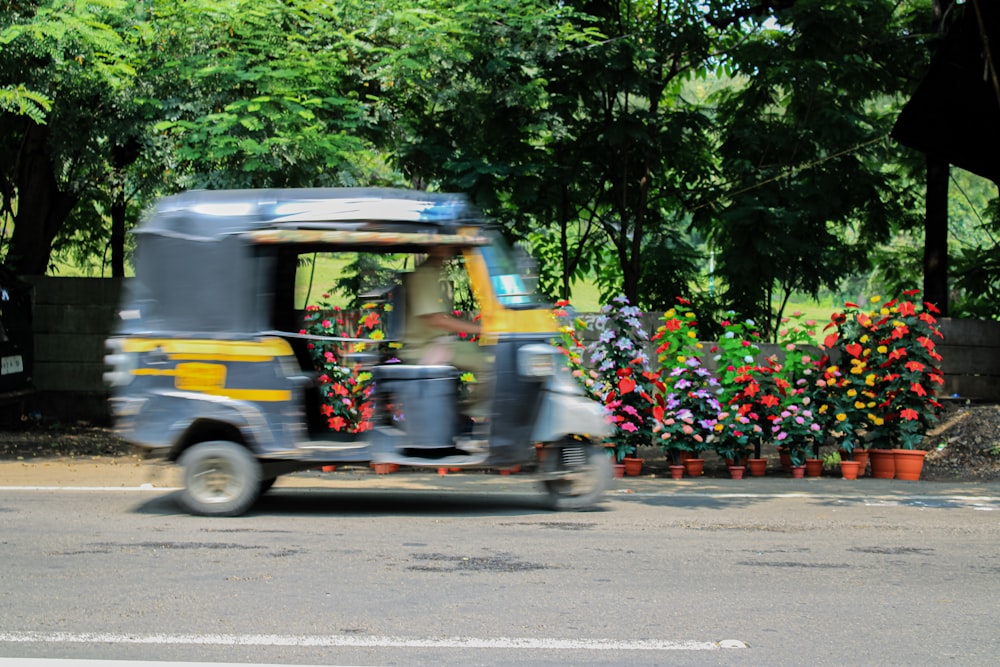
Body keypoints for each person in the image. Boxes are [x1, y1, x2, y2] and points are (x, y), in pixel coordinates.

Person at [401, 245, 492, 421]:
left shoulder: (436, 273)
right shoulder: (424, 275)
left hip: (437, 343)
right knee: (489, 364)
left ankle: (465, 417)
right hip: (422, 348)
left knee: (485, 356)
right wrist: (482, 329)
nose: (450, 249)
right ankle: (475, 420)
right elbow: (437, 320)